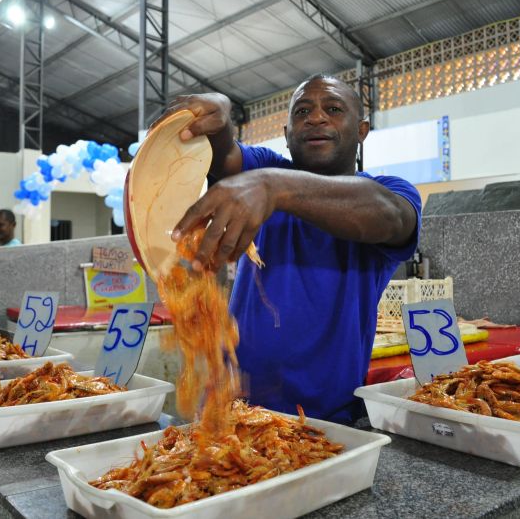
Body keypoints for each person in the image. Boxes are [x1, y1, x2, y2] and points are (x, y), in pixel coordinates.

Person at [158, 74, 421, 424]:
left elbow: (390, 218)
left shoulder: (387, 190)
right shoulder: (265, 170)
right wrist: (220, 121)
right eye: (302, 112)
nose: (315, 118)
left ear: (361, 131)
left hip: (323, 423)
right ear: (286, 135)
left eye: (333, 108)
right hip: (230, 413)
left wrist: (275, 188)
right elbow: (224, 158)